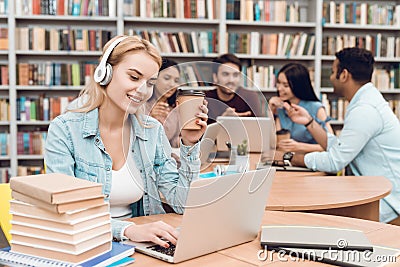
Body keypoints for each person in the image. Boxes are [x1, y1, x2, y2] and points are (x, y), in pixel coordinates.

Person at [44, 35, 208, 248]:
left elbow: (182, 203)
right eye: (133, 77)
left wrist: (189, 144)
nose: (142, 90)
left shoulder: (152, 131)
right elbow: (64, 211)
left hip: (139, 244)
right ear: (105, 73)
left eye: (150, 83)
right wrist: (128, 230)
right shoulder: (65, 129)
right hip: (85, 244)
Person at [280, 47, 400, 224]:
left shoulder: (365, 110)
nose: (330, 77)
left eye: (333, 72)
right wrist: (309, 122)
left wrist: (289, 157)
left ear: (344, 75)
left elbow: (335, 161)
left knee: (306, 216)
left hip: (387, 204)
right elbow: (342, 147)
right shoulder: (367, 101)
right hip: (375, 194)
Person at [269, 63, 333, 153]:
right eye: (278, 83)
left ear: (298, 86)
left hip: (311, 162)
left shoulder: (316, 108)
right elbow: (274, 144)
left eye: (285, 85)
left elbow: (331, 146)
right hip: (289, 162)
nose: (279, 88)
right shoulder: (281, 109)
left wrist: (299, 147)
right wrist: (270, 110)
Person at [206, 53, 265, 124]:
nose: (231, 80)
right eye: (225, 74)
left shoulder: (250, 97)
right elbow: (200, 133)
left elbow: (260, 130)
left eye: (235, 75)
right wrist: (222, 121)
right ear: (215, 77)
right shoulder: (205, 99)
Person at [145, 58, 181, 148]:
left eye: (176, 81)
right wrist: (150, 118)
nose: (172, 84)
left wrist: (191, 140)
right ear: (154, 78)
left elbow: (173, 141)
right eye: (167, 78)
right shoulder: (141, 105)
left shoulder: (175, 108)